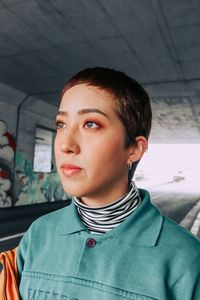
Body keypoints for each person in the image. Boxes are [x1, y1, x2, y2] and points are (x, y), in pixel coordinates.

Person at [1, 67, 200, 299]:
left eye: (91, 124)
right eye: (61, 124)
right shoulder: (38, 234)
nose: (65, 144)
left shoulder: (185, 259)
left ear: (134, 149)